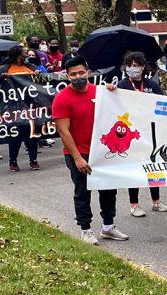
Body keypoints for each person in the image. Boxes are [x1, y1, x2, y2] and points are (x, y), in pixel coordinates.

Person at [53, 56, 127, 244]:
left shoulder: (101, 92)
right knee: (83, 191)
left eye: (80, 73)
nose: (78, 77)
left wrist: (113, 92)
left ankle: (108, 226)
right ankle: (85, 229)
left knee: (109, 190)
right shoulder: (62, 99)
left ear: (88, 73)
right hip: (79, 153)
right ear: (67, 77)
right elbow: (63, 131)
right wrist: (77, 157)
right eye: (73, 74)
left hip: (102, 152)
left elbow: (118, 110)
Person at [118, 52, 167, 216]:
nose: (134, 68)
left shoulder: (151, 85)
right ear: (126, 67)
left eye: (137, 65)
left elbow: (164, 103)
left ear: (143, 67)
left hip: (150, 132)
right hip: (131, 134)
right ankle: (134, 205)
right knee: (134, 169)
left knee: (153, 167)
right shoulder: (122, 85)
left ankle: (156, 202)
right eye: (131, 65)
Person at [0, 46, 41, 171]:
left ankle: (33, 160)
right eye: (24, 52)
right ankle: (13, 161)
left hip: (31, 106)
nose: (26, 54)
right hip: (13, 107)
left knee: (32, 134)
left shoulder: (30, 68)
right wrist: (1, 79)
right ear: (17, 55)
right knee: (15, 135)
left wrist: (38, 75)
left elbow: (39, 84)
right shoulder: (3, 69)